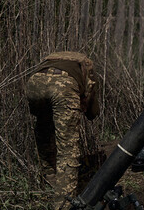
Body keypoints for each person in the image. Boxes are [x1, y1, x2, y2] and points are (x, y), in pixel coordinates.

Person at [25, 51, 101, 199]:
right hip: (63, 87)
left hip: (34, 84)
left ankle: (49, 182)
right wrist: (90, 112)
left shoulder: (51, 59)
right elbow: (92, 104)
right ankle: (64, 205)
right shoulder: (86, 63)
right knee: (68, 147)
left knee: (43, 127)